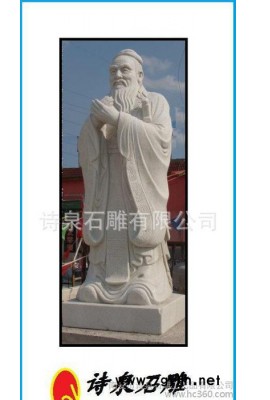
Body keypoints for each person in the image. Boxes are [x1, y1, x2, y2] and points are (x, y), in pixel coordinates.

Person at [77, 49, 173, 305]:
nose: (117, 75)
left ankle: (145, 279)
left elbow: (161, 141)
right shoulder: (104, 104)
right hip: (108, 183)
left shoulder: (155, 102)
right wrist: (94, 125)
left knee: (137, 235)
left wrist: (118, 120)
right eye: (113, 71)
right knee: (110, 229)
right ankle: (98, 278)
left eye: (124, 70)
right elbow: (86, 147)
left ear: (140, 76)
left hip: (139, 186)